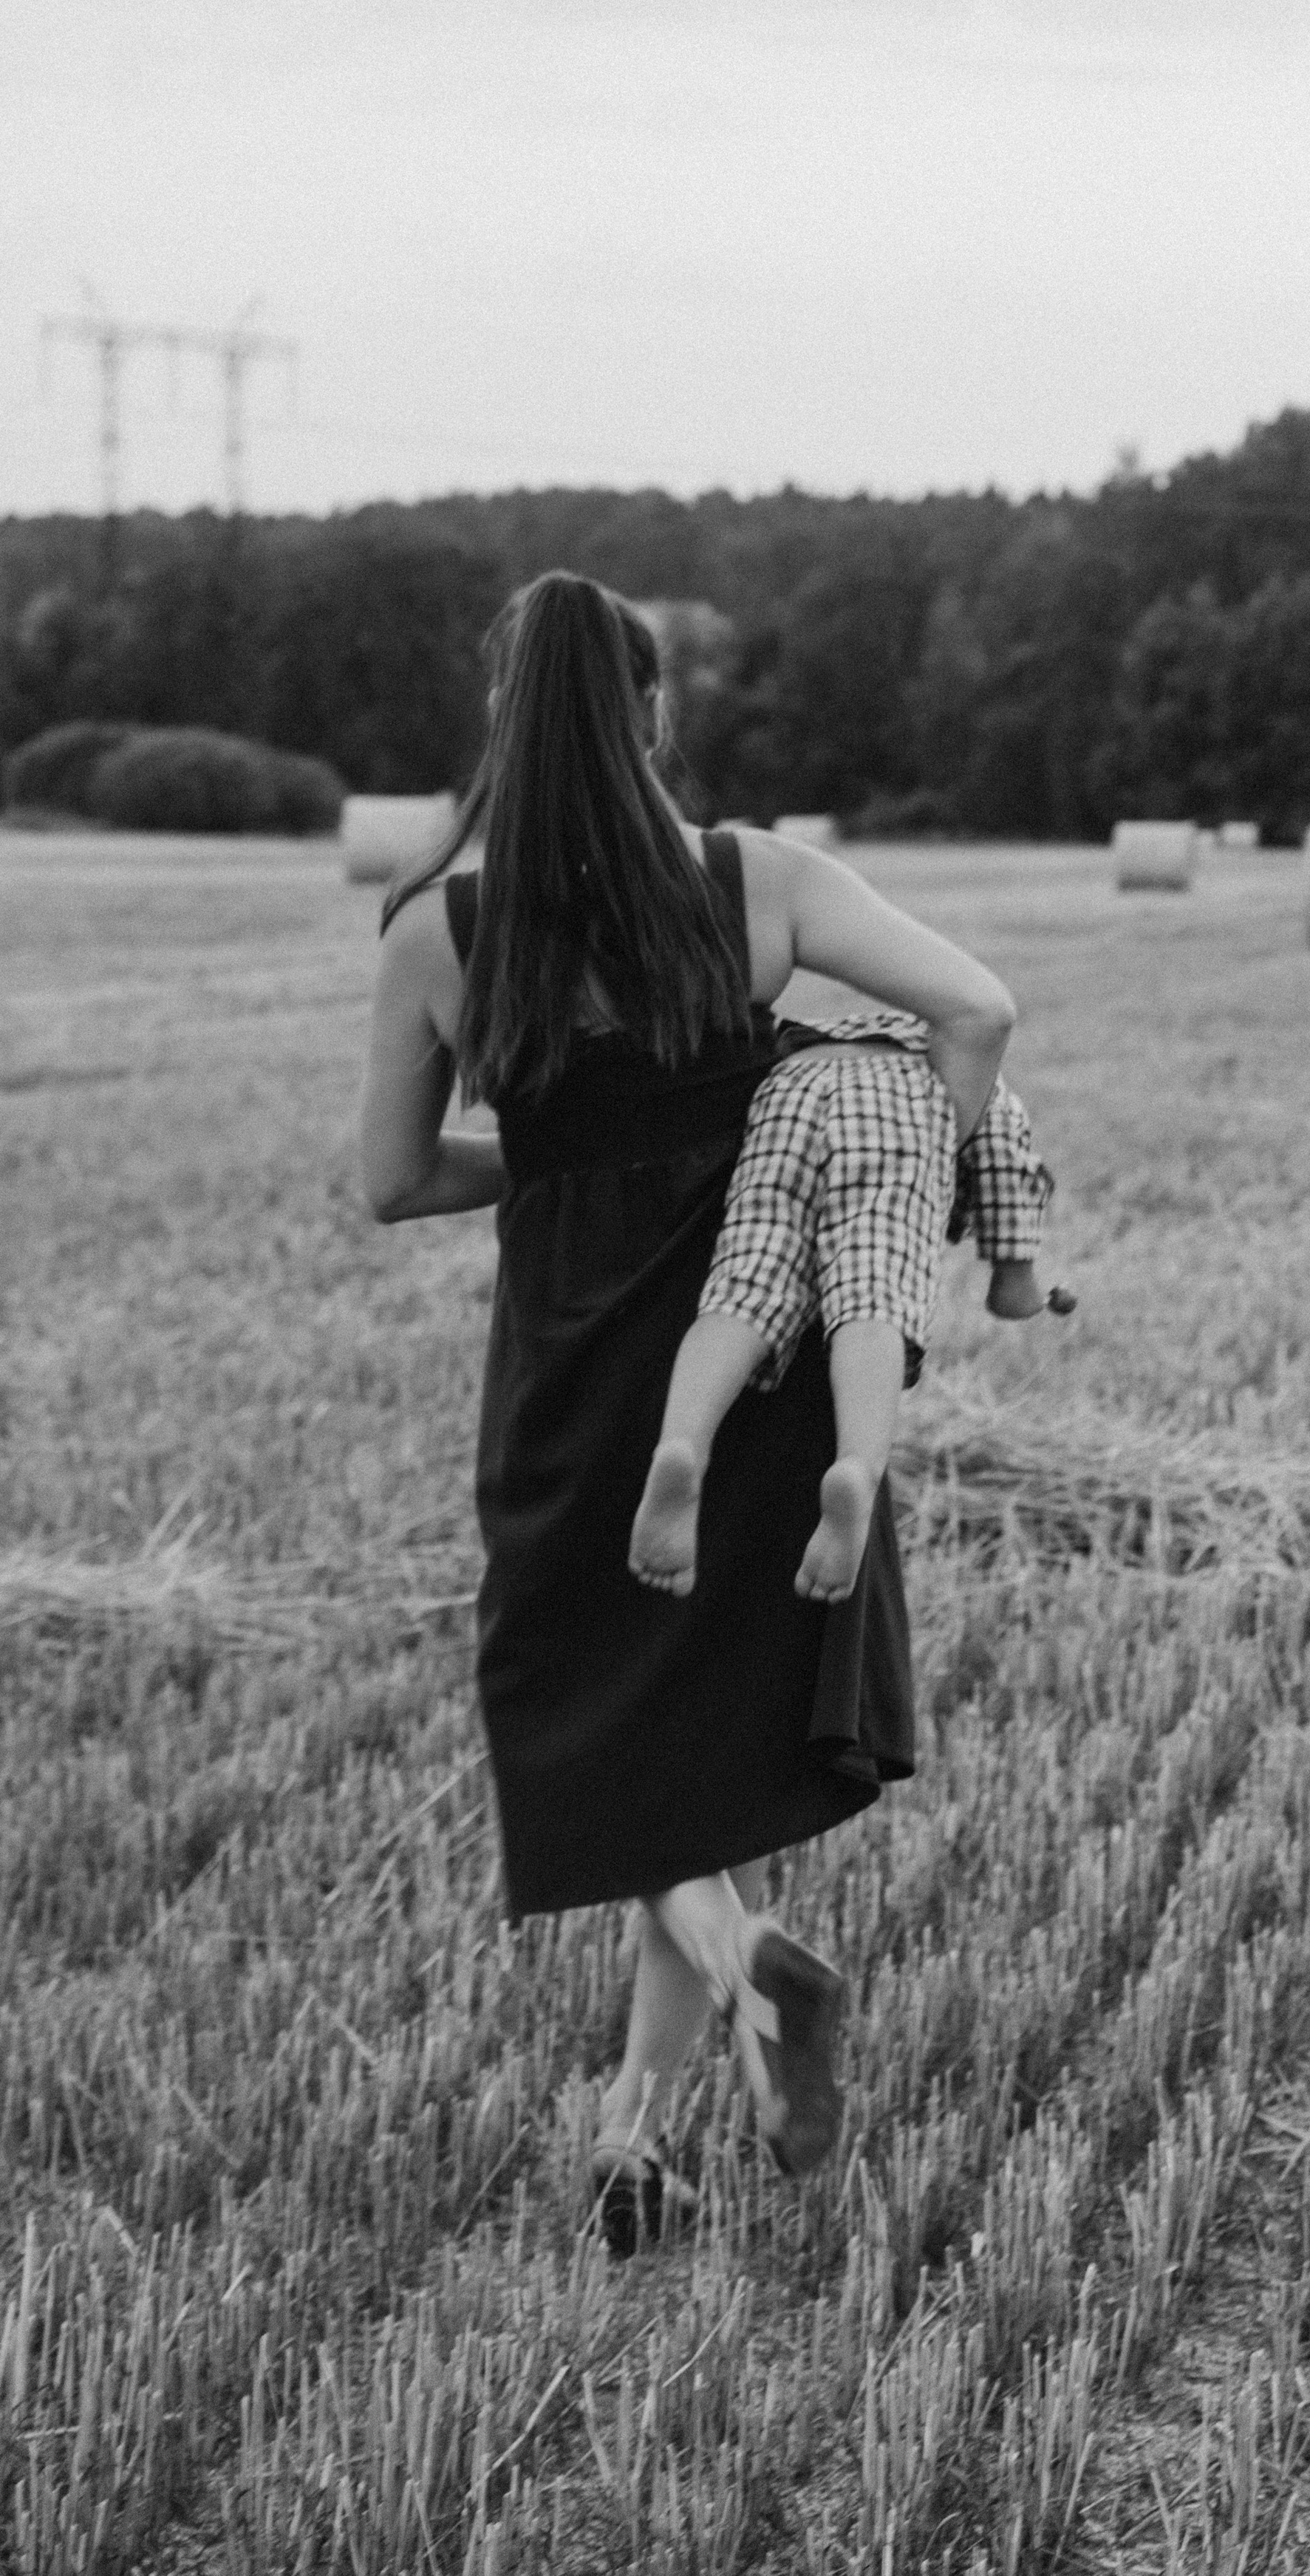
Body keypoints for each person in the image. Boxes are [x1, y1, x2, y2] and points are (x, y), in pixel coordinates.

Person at [358, 570, 1017, 2249]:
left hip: (584, 1381)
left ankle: (733, 1976)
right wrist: (894, 1194)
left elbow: (389, 1178)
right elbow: (975, 1008)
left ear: (508, 723)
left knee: (584, 1717)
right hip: (766, 1355)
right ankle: (633, 2132)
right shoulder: (760, 883)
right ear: (655, 715)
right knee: (695, 1754)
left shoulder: (441, 927)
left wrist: (565, 1149)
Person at [627, 1012, 1071, 1606]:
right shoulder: (958, 1056)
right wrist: (1016, 1282)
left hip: (789, 1089)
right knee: (873, 1295)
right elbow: (1004, 1155)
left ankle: (682, 1443)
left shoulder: (808, 1036)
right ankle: (856, 1470)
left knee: (745, 1286)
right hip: (901, 1101)